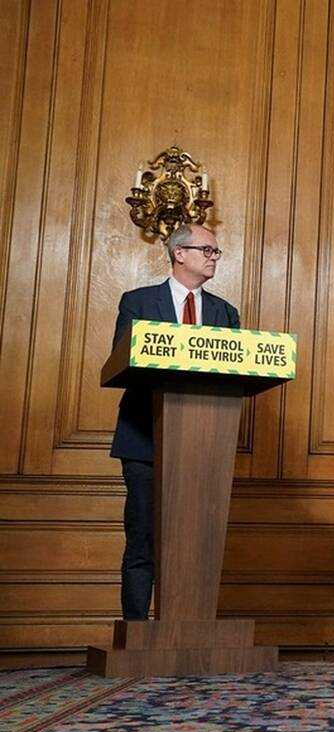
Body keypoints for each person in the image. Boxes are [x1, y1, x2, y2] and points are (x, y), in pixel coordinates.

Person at [110, 223, 241, 620]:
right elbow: (121, 362)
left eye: (216, 252)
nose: (214, 258)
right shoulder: (137, 302)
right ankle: (135, 632)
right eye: (207, 250)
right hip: (145, 441)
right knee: (143, 539)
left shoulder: (225, 313)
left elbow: (235, 374)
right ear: (179, 253)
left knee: (195, 543)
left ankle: (190, 629)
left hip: (204, 443)